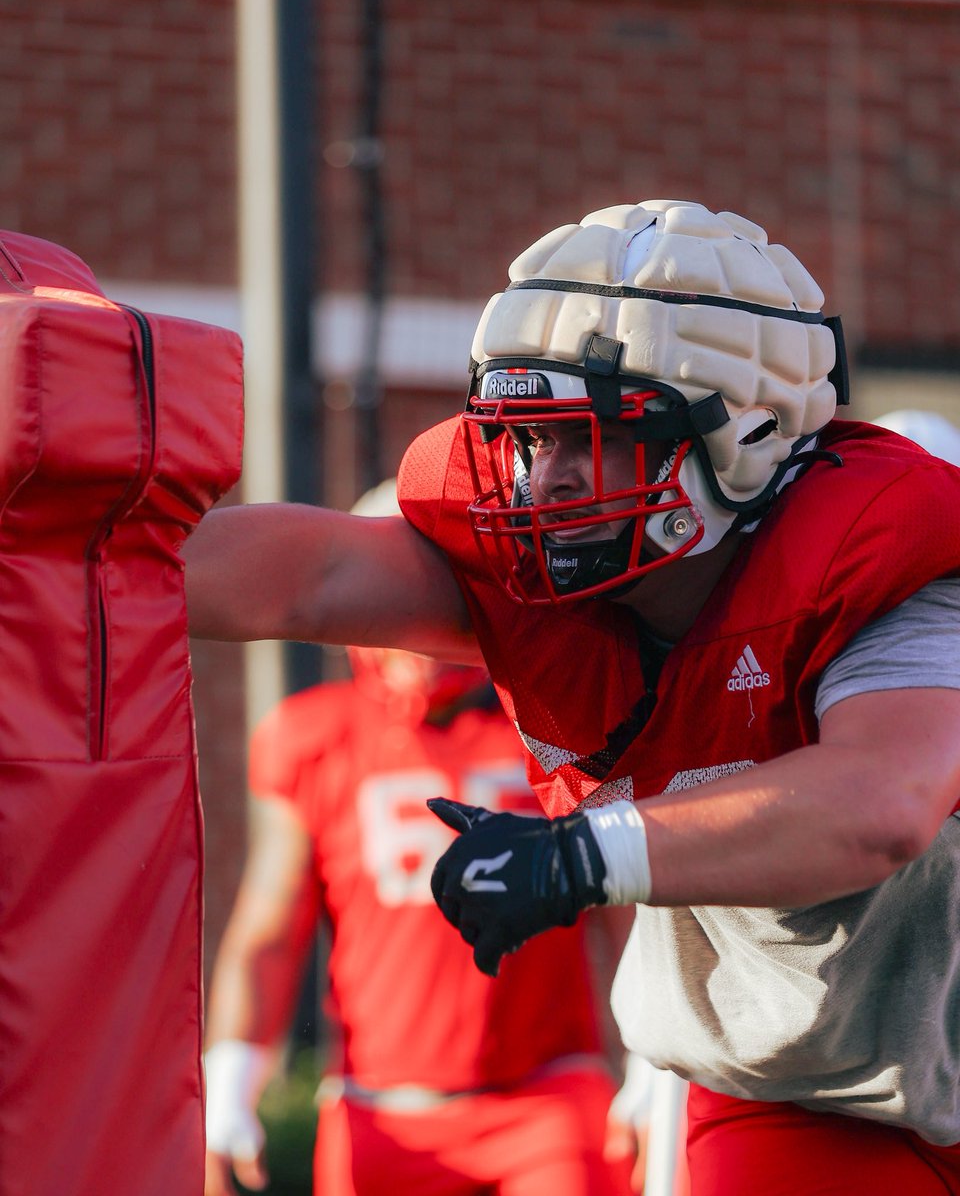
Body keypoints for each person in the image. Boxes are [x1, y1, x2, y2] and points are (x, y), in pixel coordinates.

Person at [185, 200, 960, 1194]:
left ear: (739, 434)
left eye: (588, 439)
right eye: (526, 438)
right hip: (810, 1094)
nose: (541, 481)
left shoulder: (886, 564)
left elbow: (878, 805)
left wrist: (584, 855)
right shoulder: (547, 589)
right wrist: (59, 554)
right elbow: (313, 575)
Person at [203, 483, 639, 1196]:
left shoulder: (555, 720)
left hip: (546, 1102)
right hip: (382, 1110)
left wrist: (654, 1060)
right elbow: (272, 929)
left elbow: (626, 902)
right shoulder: (317, 736)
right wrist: (231, 1076)